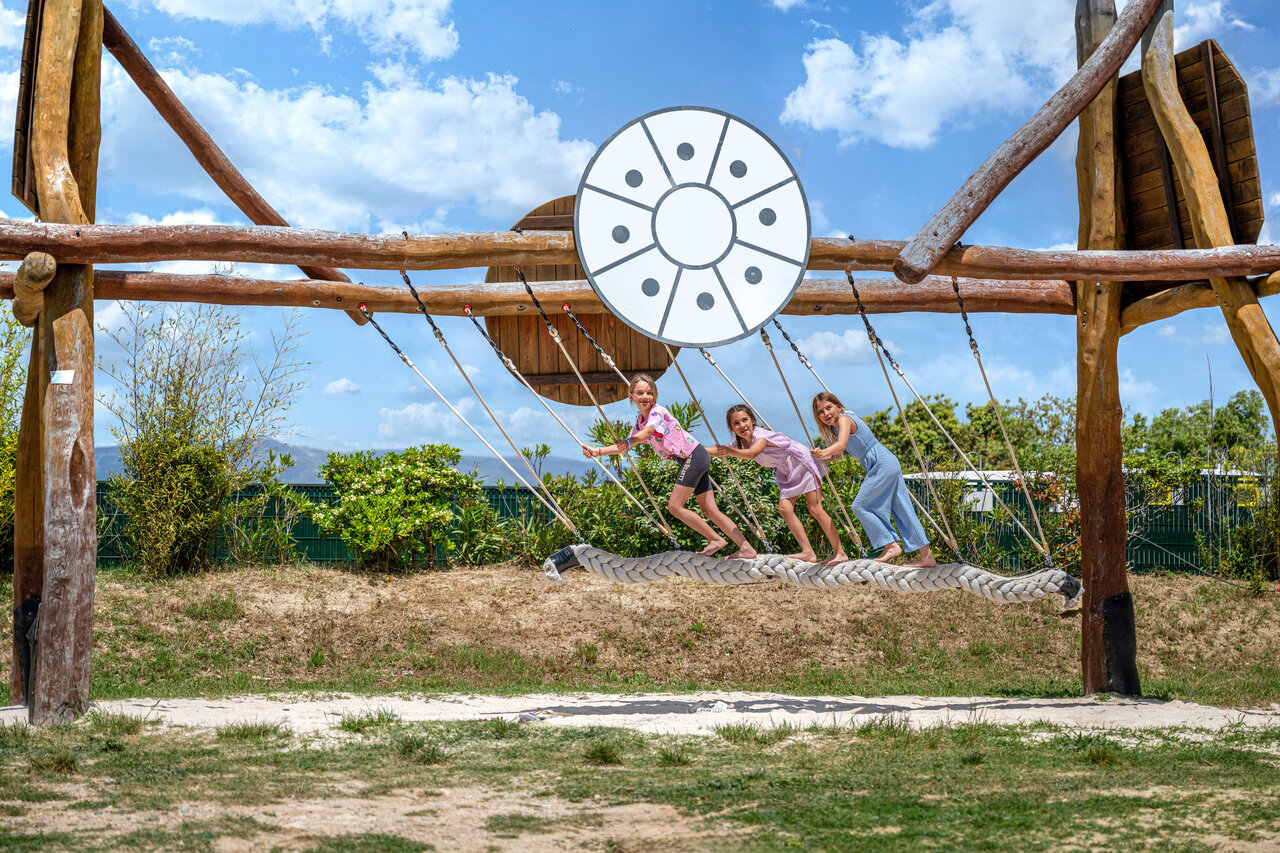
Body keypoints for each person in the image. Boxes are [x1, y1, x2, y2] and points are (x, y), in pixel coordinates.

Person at [582, 374, 756, 559]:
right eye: (640, 393)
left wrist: (629, 441)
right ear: (631, 396)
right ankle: (746, 547)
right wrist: (597, 451)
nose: (645, 397)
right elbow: (626, 445)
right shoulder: (641, 422)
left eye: (649, 393)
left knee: (674, 506)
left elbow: (646, 433)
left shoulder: (657, 413)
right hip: (696, 457)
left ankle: (715, 539)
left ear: (655, 396)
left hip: (694, 457)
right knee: (709, 510)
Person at [708, 404, 847, 564]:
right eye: (736, 423)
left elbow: (753, 453)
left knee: (815, 509)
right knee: (785, 509)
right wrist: (693, 449)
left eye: (745, 420)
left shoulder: (761, 436)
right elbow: (719, 451)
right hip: (787, 469)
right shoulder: (739, 443)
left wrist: (730, 452)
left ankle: (839, 552)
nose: (742, 425)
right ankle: (808, 552)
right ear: (732, 428)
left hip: (800, 462)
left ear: (752, 420)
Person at [810, 391, 936, 567]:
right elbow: (837, 455)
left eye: (828, 408)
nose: (826, 414)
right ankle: (927, 556)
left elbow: (841, 445)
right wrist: (817, 457)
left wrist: (823, 452)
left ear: (838, 406)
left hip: (881, 462)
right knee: (903, 508)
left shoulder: (844, 419)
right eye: (820, 412)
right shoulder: (836, 427)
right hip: (884, 461)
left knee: (860, 505)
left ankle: (890, 545)